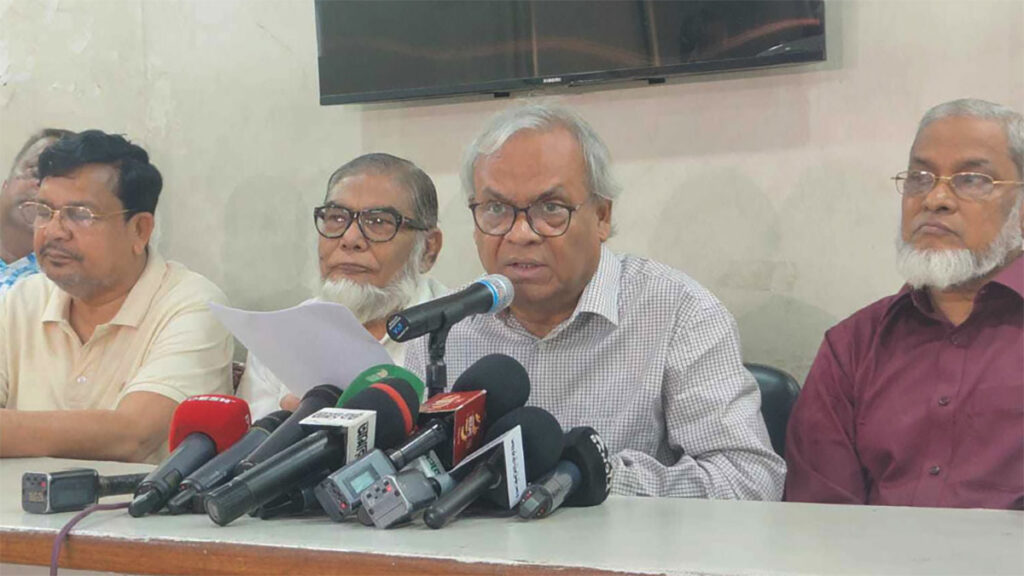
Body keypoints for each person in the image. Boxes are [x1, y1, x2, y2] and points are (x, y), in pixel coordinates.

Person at [405, 103, 785, 499]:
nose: (520, 234)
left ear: (602, 216)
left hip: (629, 540)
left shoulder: (680, 314)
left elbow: (750, 481)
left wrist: (592, 477)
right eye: (496, 209)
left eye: (550, 209)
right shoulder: (445, 329)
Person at [785, 98, 1023, 509]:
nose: (935, 198)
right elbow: (820, 518)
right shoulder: (853, 346)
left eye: (971, 179)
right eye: (919, 177)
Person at [0, 130, 233, 464]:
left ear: (139, 230)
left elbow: (133, 435)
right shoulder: (23, 300)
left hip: (135, 498)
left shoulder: (193, 305)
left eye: (80, 214)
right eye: (44, 211)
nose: (54, 231)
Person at [236, 153, 445, 418]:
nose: (350, 238)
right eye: (336, 218)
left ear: (428, 249)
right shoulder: (280, 335)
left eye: (378, 222)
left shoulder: (464, 333)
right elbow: (254, 438)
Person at [0, 129, 75, 295]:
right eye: (36, 172)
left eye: (58, 180)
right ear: (5, 184)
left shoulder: (68, 286)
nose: (43, 187)